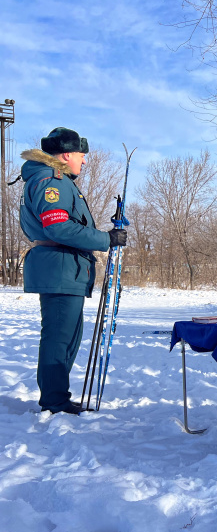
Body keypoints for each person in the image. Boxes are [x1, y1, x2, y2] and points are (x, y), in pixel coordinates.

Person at [19, 127, 128, 415]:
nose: (84, 160)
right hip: (59, 268)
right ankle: (54, 400)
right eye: (81, 154)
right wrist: (105, 239)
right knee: (59, 337)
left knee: (68, 337)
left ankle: (58, 397)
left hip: (67, 268)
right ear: (67, 155)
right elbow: (58, 227)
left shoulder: (58, 180)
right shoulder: (50, 181)